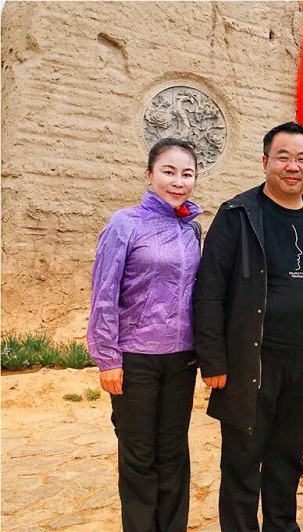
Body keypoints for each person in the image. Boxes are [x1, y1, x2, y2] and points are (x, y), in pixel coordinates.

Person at [193, 122, 303, 531]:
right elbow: (209, 291)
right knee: (242, 461)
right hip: (251, 363)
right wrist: (213, 360)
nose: (293, 166)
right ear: (265, 162)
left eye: (302, 158)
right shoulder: (237, 215)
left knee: (287, 459)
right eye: (283, 157)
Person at [87, 138, 202, 531]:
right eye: (169, 172)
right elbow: (104, 292)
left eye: (187, 174)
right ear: (149, 174)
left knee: (173, 453)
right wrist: (107, 358)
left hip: (181, 358)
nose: (178, 181)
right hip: (135, 358)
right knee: (138, 456)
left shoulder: (191, 228)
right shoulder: (125, 224)